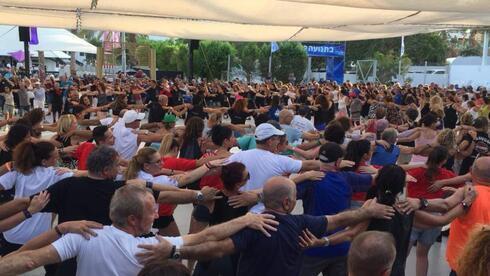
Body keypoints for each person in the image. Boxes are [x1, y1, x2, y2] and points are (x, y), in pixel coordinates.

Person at [136, 176, 396, 276]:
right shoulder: (299, 223)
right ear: (286, 202)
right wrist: (365, 211)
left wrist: (175, 251)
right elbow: (338, 220)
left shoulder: (253, 225)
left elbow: (215, 248)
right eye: (294, 198)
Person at [0, 184, 278, 276]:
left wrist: (60, 229)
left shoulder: (83, 236)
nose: (158, 214)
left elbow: (29, 259)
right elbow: (206, 236)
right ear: (133, 219)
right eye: (152, 211)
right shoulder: (149, 248)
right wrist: (244, 221)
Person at [297, 142, 374, 276]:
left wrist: (301, 177)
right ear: (338, 161)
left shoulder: (309, 180)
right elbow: (376, 180)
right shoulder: (348, 178)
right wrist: (376, 171)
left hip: (310, 244)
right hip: (340, 245)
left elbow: (281, 195)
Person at [228, 123, 321, 213]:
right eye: (277, 139)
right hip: (266, 213)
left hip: (238, 210)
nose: (278, 141)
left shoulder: (236, 157)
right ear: (270, 141)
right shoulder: (280, 160)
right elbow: (310, 165)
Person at [445, 157, 490, 275]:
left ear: (472, 172)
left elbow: (444, 208)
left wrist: (419, 203)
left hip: (463, 262)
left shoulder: (468, 193)